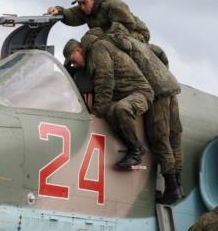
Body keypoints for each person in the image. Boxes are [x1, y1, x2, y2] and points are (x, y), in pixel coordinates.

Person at [100, 22, 184, 204]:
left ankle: (172, 188)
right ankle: (178, 183)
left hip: (158, 92)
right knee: (174, 136)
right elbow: (162, 55)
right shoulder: (146, 46)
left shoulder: (122, 45)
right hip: (170, 86)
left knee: (159, 138)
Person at [65, 30, 153, 169]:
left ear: (78, 50)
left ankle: (135, 152)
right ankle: (137, 147)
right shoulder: (91, 56)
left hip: (139, 92)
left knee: (121, 109)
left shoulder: (98, 49)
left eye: (73, 59)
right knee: (110, 112)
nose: (74, 64)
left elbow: (105, 81)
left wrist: (95, 114)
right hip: (123, 94)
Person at [47, 0, 169, 66]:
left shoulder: (113, 5)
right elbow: (71, 15)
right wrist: (58, 10)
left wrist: (101, 39)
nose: (82, 7)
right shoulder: (85, 9)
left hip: (135, 34)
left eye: (84, 3)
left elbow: (126, 26)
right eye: (80, 4)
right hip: (111, 37)